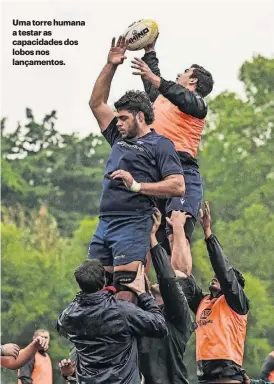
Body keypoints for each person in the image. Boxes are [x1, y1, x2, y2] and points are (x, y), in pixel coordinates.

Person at [88, 35, 185, 299]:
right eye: (117, 118)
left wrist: (137, 185)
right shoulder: (118, 137)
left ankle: (133, 335)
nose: (117, 122)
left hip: (133, 222)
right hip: (105, 222)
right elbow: (96, 103)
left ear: (140, 117)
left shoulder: (160, 144)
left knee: (125, 292)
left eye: (123, 118)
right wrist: (111, 65)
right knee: (95, 290)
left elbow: (178, 185)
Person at [131, 34, 214, 252]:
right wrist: (149, 52)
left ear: (194, 80)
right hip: (156, 171)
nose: (179, 74)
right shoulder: (165, 97)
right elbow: (154, 88)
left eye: (186, 72)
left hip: (181, 170)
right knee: (151, 238)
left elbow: (177, 94)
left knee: (175, 234)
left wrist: (155, 78)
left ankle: (181, 283)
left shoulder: (197, 104)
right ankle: (152, 285)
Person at [57, 258, 168, 384]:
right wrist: (143, 294)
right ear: (104, 282)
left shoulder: (70, 315)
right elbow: (160, 325)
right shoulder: (122, 311)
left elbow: (61, 328)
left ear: (80, 284)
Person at [180, 201, 250, 383]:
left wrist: (208, 233)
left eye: (217, 277)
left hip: (228, 376)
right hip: (204, 376)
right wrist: (176, 232)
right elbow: (182, 277)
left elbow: (224, 272)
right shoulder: (203, 302)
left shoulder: (236, 303)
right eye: (214, 276)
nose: (215, 277)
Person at [140, 209, 194, 384]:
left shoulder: (179, 319)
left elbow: (166, 278)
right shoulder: (148, 316)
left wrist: (153, 237)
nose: (160, 281)